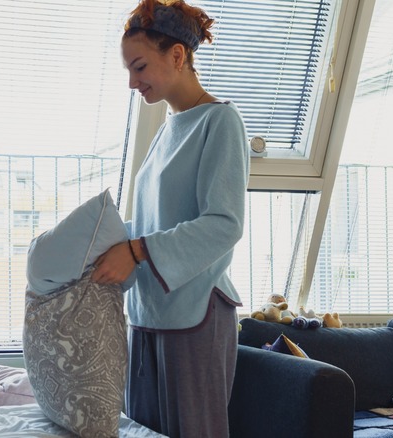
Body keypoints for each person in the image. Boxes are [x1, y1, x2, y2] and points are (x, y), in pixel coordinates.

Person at [90, 1, 250, 437]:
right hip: (148, 310)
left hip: (195, 314)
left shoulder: (220, 122)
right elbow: (151, 219)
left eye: (139, 66)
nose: (131, 82)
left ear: (177, 56)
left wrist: (137, 250)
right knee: (141, 430)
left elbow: (224, 223)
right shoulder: (166, 129)